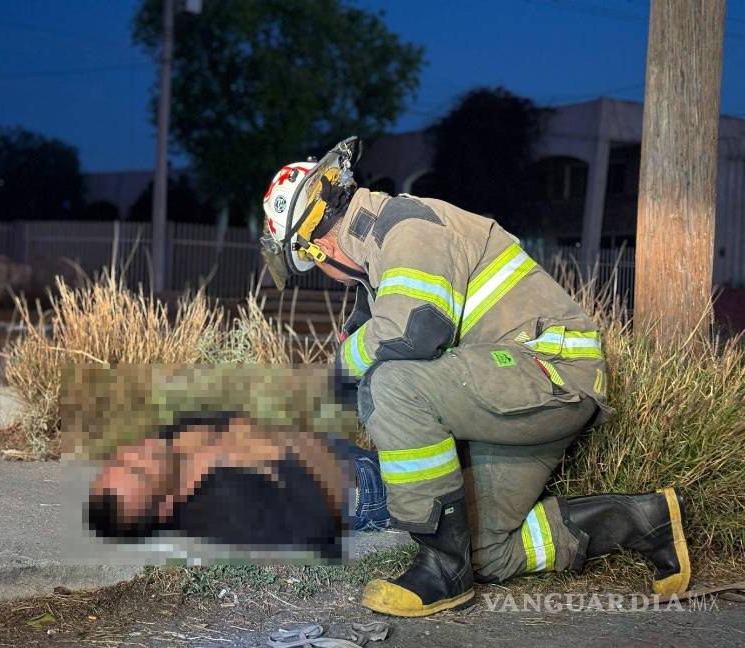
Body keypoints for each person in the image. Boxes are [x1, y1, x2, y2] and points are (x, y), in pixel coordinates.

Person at [260, 137, 691, 617]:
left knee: (392, 388)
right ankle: (642, 521)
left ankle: (441, 570)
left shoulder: (404, 227)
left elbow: (413, 332)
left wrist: (335, 377)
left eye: (315, 267)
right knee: (485, 552)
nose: (325, 275)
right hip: (515, 398)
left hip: (548, 375)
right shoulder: (378, 261)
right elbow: (377, 341)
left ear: (318, 247)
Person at [85, 410, 386, 559]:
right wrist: (275, 451)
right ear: (165, 507)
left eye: (119, 462)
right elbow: (315, 528)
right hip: (365, 490)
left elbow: (233, 420)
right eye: (141, 471)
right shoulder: (224, 507)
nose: (133, 453)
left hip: (339, 451)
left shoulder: (173, 444)